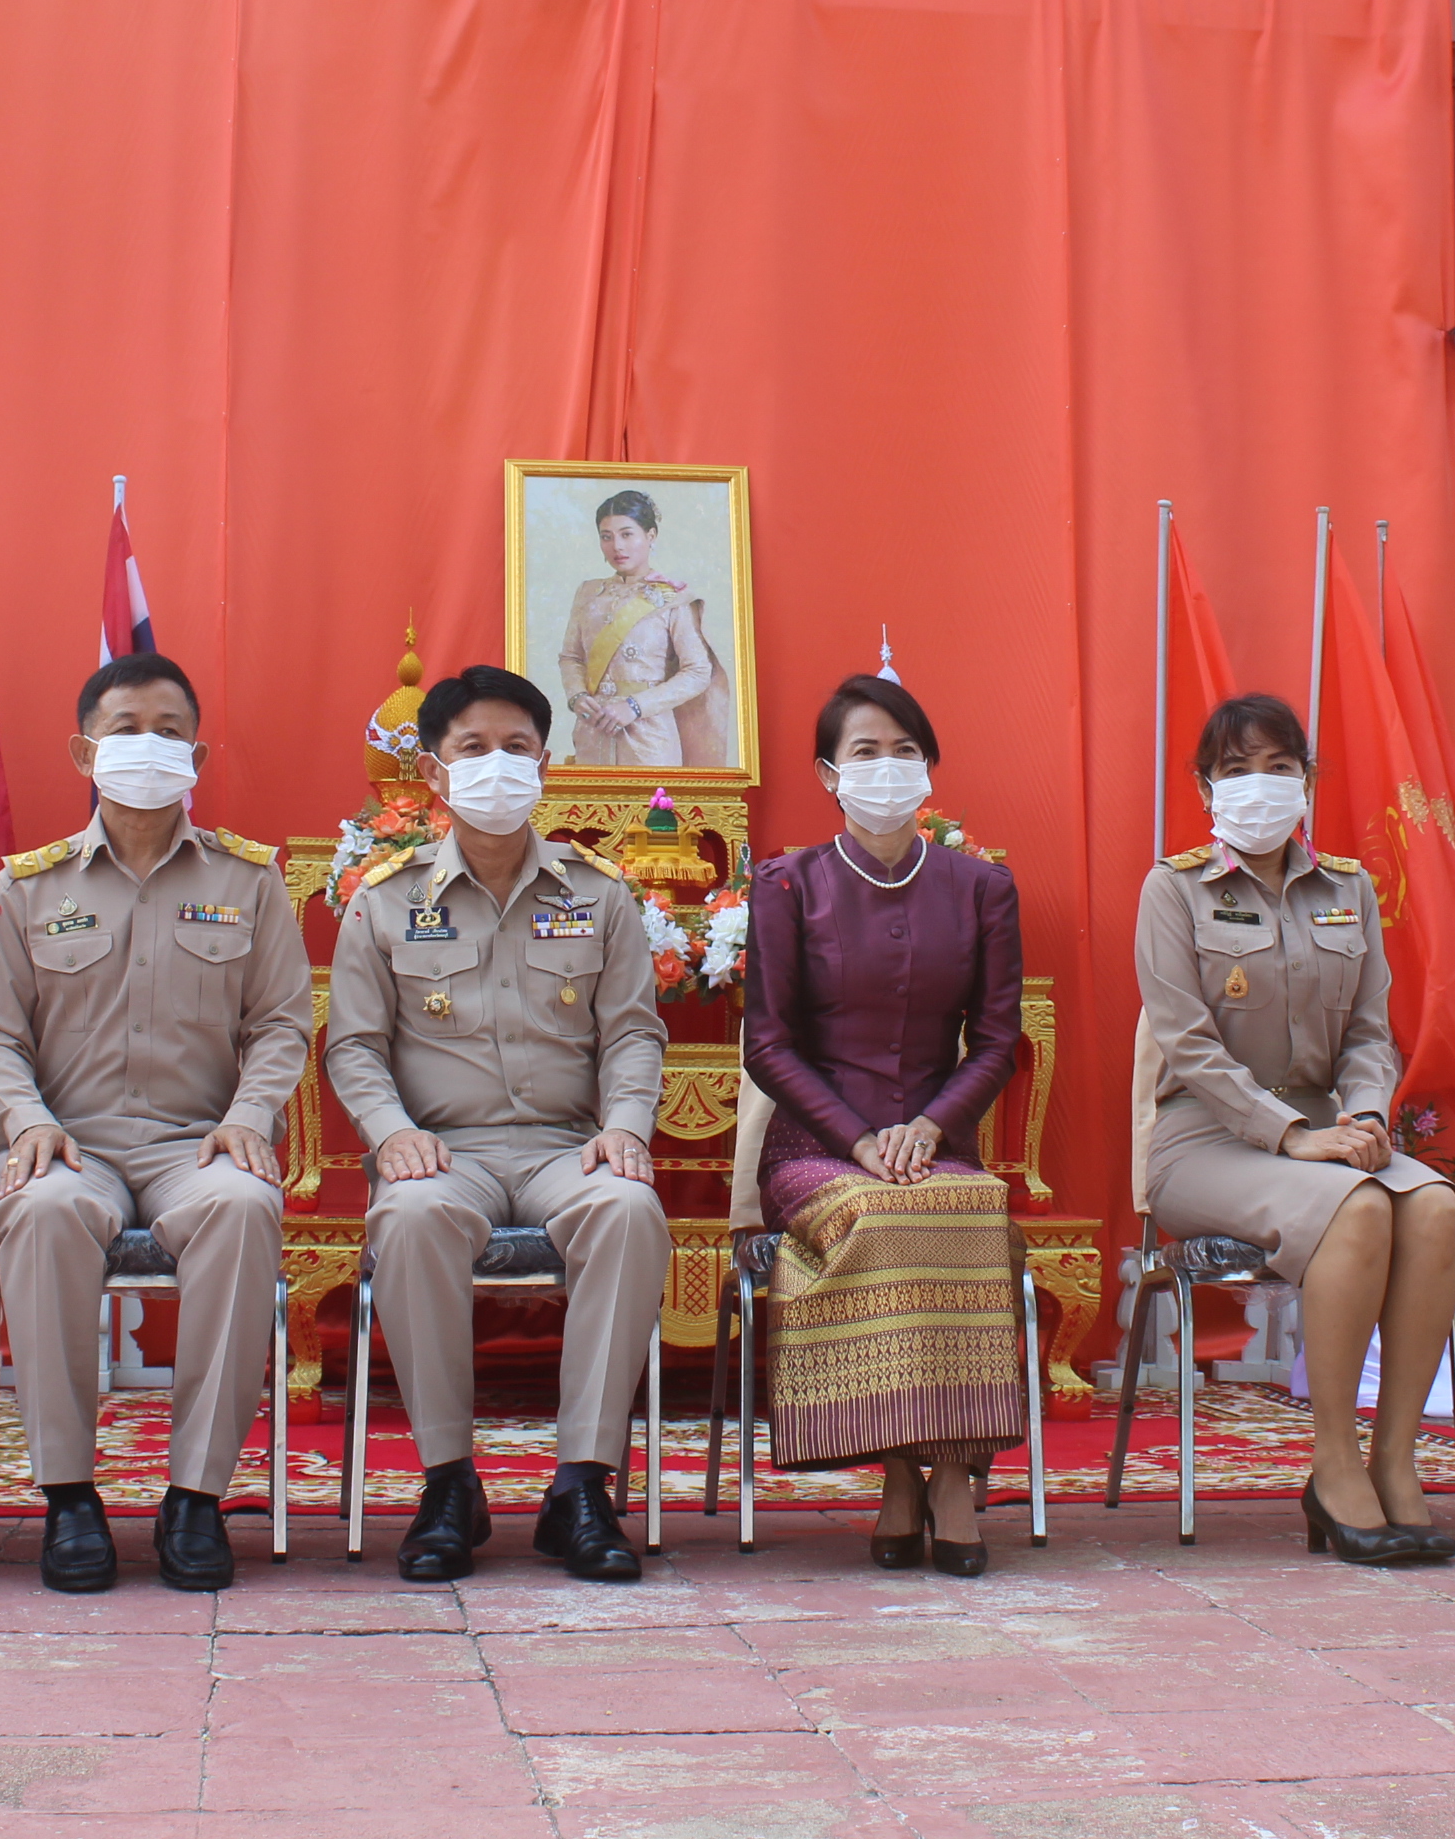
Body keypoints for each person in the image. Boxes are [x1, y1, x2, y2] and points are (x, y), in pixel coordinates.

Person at [323, 663, 669, 1583]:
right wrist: (390, 1131)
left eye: (516, 748)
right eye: (472, 749)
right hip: (447, 1150)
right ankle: (449, 1483)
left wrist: (626, 1127)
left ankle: (582, 1485)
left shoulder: (599, 892)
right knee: (410, 1215)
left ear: (545, 765)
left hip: (567, 1148)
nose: (496, 767)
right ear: (436, 774)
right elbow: (352, 1045)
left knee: (630, 1211)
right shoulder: (386, 899)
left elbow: (633, 1032)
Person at [0, 652, 310, 1592]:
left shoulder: (248, 879)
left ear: (197, 753)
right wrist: (24, 1119)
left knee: (243, 1209)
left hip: (195, 1142)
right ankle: (70, 1498)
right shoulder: (27, 888)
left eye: (168, 732)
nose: (147, 747)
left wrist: (249, 1117)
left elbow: (282, 1023)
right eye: (126, 730)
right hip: (67, 1140)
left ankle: (196, 1498)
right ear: (85, 750)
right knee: (39, 1213)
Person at [1135, 693, 1455, 1566]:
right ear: (1206, 786)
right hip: (1204, 1140)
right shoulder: (1173, 889)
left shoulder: (1348, 887)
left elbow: (1368, 1032)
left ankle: (1395, 1460)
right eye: (1237, 769)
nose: (1260, 786)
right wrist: (1288, 1135)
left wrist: (1361, 1116)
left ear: (1308, 781)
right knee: (1356, 1207)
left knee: (1432, 1207)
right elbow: (1186, 1043)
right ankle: (1333, 1465)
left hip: (1331, 1135)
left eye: (1279, 767)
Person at [739, 674, 1029, 1577]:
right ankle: (915, 1471)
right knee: (888, 1211)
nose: (887, 769)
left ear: (930, 768)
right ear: (830, 774)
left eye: (905, 751)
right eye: (865, 752)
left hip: (937, 1146)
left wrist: (935, 1128)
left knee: (967, 1208)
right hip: (817, 1150)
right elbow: (769, 1045)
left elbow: (995, 1040)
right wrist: (860, 1140)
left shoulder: (982, 888)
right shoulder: (788, 884)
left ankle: (934, 1479)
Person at [557, 490, 727, 768]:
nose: (617, 547)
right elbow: (571, 657)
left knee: (652, 812)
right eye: (606, 536)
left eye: (627, 534)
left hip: (650, 737)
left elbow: (698, 672)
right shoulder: (588, 593)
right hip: (593, 733)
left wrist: (635, 707)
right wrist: (577, 696)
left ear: (650, 536)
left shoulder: (673, 597)